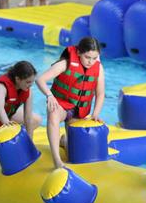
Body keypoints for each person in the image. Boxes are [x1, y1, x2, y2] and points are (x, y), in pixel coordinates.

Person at [36, 37, 105, 169]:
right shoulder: (65, 63)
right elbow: (40, 79)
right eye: (87, 57)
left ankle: (64, 140)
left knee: (74, 154)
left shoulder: (98, 68)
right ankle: (57, 160)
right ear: (78, 52)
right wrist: (49, 96)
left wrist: (95, 113)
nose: (90, 62)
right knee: (53, 113)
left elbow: (100, 93)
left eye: (94, 58)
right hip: (62, 105)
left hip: (79, 111)